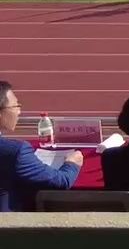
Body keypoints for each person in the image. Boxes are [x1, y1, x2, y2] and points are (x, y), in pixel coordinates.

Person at [0, 80, 84, 211]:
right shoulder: (15, 152)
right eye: (16, 106)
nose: (19, 112)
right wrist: (72, 164)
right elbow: (61, 181)